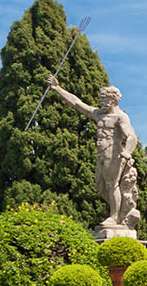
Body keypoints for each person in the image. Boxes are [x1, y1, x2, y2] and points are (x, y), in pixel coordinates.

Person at [44, 74, 140, 229]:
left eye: (104, 99)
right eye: (101, 99)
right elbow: (76, 103)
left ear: (113, 99)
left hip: (113, 153)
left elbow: (131, 137)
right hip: (101, 153)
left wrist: (127, 152)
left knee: (112, 184)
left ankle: (114, 217)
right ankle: (121, 211)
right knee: (99, 186)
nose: (101, 102)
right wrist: (57, 88)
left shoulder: (120, 117)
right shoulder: (98, 114)